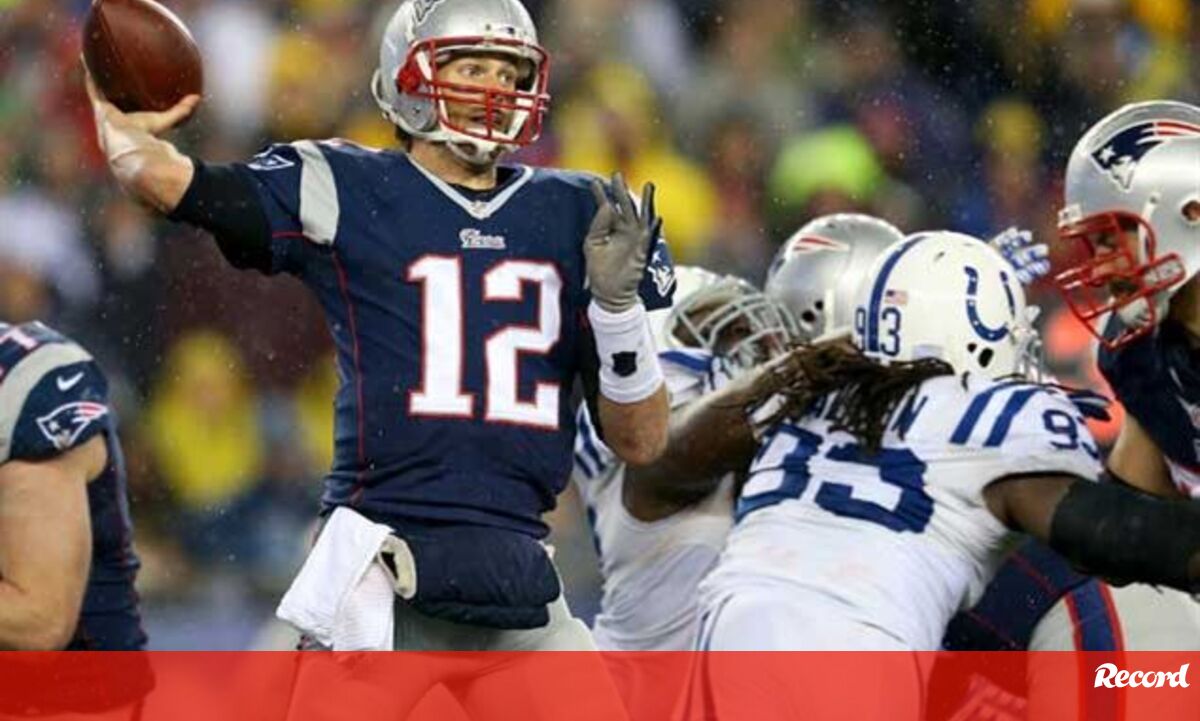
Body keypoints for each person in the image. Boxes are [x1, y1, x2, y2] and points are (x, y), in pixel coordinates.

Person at [692, 231, 1200, 721]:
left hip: (726, 635)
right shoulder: (990, 417)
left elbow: (670, 459)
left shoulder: (799, 402)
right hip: (862, 650)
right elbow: (1104, 534)